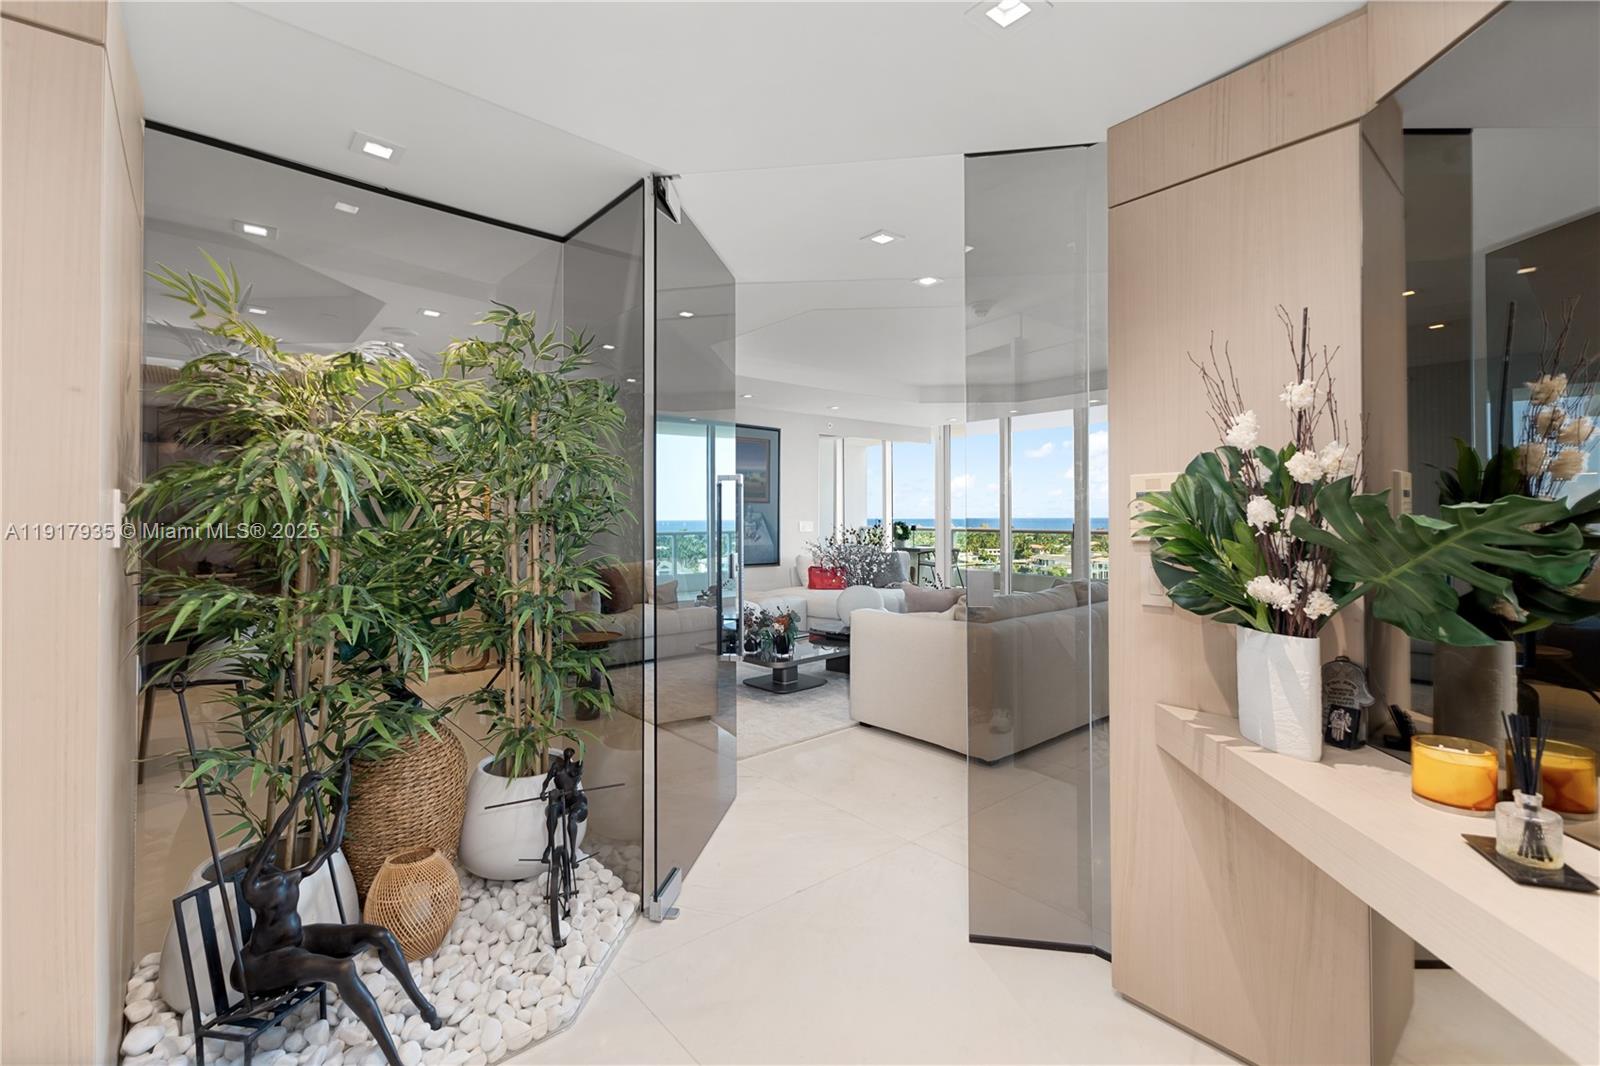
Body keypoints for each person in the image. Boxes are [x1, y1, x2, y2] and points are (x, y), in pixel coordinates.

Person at [232, 742, 438, 1066]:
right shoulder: (254, 889)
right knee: (343, 969)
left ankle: (425, 1006)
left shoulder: (289, 878)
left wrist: (345, 775)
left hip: (298, 942)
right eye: (262, 858)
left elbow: (331, 846)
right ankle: (394, 1060)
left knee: (380, 934)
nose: (269, 856)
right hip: (265, 964)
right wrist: (298, 797)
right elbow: (267, 847)